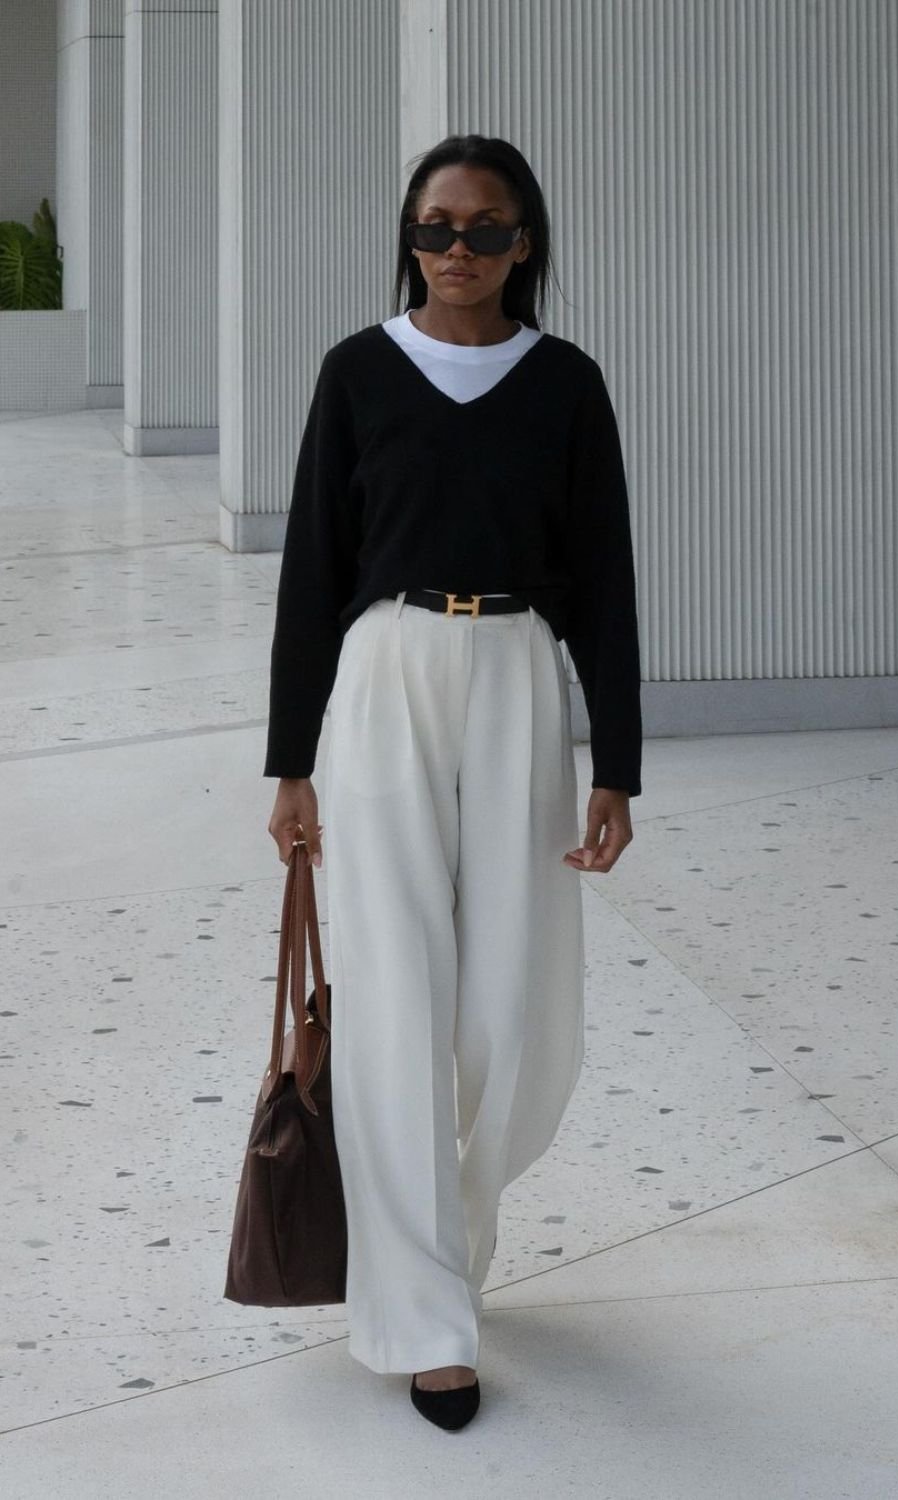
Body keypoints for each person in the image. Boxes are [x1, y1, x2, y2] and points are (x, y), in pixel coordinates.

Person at [263, 133, 642, 1432]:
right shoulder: (359, 373)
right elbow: (312, 574)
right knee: (397, 996)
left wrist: (620, 767)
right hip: (383, 679)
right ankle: (428, 1319)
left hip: (523, 681)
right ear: (409, 237)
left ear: (525, 243)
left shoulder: (567, 385)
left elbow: (605, 584)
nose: (459, 252)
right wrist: (289, 764)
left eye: (486, 230)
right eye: (436, 229)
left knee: (516, 1018)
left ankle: (448, 1242)